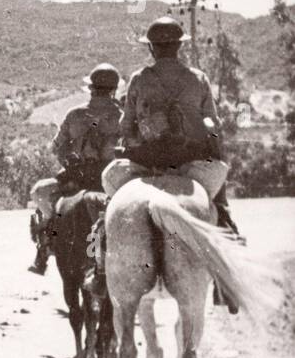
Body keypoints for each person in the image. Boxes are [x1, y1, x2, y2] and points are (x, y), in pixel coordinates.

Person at [100, 15, 237, 236]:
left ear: (152, 48)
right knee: (218, 194)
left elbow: (125, 127)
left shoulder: (138, 79)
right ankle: (226, 224)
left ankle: (102, 236)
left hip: (147, 161)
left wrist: (137, 141)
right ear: (179, 46)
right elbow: (213, 124)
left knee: (109, 181)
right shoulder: (199, 78)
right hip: (191, 161)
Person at [27, 64, 123, 275]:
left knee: (40, 193)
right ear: (114, 89)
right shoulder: (122, 116)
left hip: (76, 177)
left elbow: (56, 147)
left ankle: (44, 249)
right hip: (112, 178)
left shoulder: (74, 114)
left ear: (90, 88)